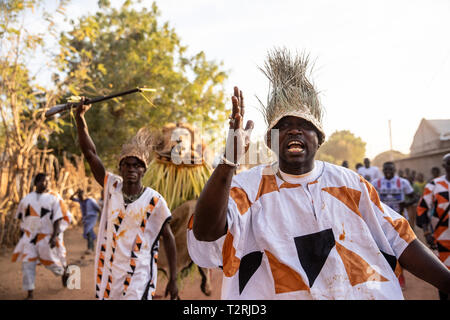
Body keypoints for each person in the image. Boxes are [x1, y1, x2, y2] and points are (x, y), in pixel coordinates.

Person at [187, 48, 450, 300]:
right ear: (270, 141)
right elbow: (206, 233)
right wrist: (228, 162)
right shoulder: (246, 189)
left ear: (319, 138)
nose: (293, 130)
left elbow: (400, 239)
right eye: (283, 125)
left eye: (305, 125)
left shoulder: (350, 184)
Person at [74, 100, 178, 300]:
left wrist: (173, 279)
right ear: (120, 168)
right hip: (110, 272)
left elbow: (169, 238)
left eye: (137, 165)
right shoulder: (111, 187)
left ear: (144, 170)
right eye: (127, 165)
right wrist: (80, 118)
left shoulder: (155, 201)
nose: (132, 169)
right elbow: (90, 154)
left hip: (139, 275)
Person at [11, 173, 71, 299]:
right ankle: (30, 293)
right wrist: (22, 236)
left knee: (53, 265)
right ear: (35, 183)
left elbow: (58, 219)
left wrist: (54, 236)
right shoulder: (26, 199)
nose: (46, 184)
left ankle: (64, 272)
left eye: (48, 182)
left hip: (46, 237)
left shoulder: (53, 198)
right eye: (43, 181)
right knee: (28, 264)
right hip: (29, 238)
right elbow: (22, 218)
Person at [372, 161, 417, 289]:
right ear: (383, 170)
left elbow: (414, 196)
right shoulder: (376, 183)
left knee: (401, 250)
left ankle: (400, 276)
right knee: (384, 250)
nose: (388, 171)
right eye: (385, 169)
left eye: (390, 169)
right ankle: (389, 278)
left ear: (394, 169)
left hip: (400, 222)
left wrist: (406, 204)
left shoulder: (403, 182)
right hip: (381, 222)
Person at [417, 153, 450, 300]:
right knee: (444, 276)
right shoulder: (434, 185)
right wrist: (426, 232)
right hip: (442, 237)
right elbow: (422, 209)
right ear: (444, 166)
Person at [70, 189, 101, 253]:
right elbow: (71, 198)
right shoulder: (81, 201)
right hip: (86, 219)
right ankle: (92, 248)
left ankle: (89, 248)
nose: (80, 197)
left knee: (88, 231)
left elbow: (98, 209)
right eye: (79, 196)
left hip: (92, 218)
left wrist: (101, 219)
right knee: (89, 232)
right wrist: (75, 192)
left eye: (81, 196)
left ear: (85, 195)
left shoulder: (91, 201)